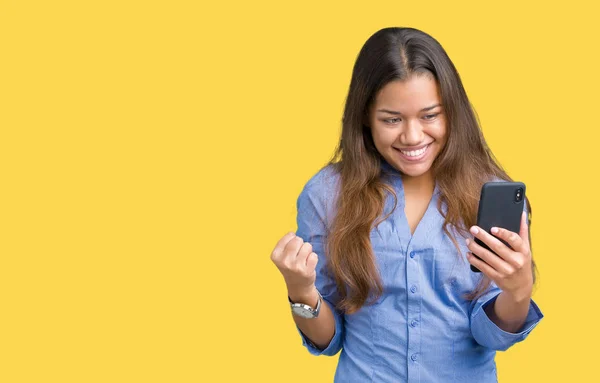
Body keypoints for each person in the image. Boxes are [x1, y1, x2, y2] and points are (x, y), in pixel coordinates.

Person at [270, 27, 543, 382]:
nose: (413, 136)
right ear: (366, 118)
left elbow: (490, 335)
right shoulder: (326, 194)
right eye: (392, 120)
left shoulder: (489, 193)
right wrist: (300, 290)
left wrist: (518, 290)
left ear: (452, 112)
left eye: (430, 115)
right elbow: (327, 338)